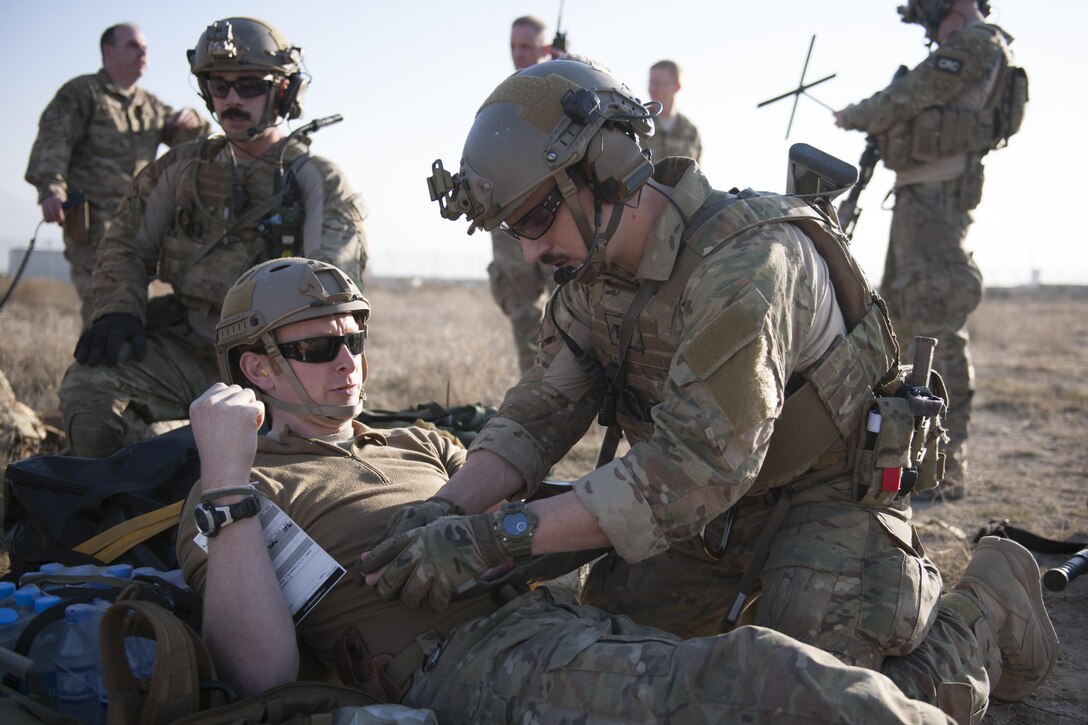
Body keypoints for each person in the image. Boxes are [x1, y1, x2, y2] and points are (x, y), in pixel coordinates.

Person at [379, 56, 1055, 718]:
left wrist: (499, 537)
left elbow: (696, 469)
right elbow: (539, 413)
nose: (530, 251)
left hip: (824, 494)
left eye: (533, 220)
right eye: (511, 228)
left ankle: (987, 607)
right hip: (713, 511)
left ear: (606, 170)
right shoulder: (593, 277)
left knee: (820, 699)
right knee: (633, 667)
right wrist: (446, 509)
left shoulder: (746, 264)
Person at [179, 256, 1032, 724]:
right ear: (257, 366)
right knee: (771, 682)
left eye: (356, 338)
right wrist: (223, 475)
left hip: (563, 621)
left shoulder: (419, 442)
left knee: (805, 681)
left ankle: (988, 607)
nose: (351, 361)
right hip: (470, 664)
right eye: (321, 348)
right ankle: (988, 611)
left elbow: (539, 510)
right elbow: (260, 671)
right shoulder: (250, 490)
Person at [57, 17, 369, 459]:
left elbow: (333, 294)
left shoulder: (317, 180)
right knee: (90, 397)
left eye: (249, 86)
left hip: (282, 362)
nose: (231, 100)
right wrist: (117, 312)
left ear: (283, 91)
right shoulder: (180, 170)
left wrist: (287, 367)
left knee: (290, 463)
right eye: (219, 87)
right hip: (188, 345)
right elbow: (125, 246)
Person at [834, 0, 1021, 500]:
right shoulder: (970, 46)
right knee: (904, 319)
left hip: (938, 202)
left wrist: (856, 115)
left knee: (935, 320)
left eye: (934, 23)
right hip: (921, 199)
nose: (934, 36)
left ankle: (948, 462)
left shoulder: (977, 45)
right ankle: (911, 455)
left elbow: (908, 97)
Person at [25, 23, 209, 328]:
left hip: (138, 226)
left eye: (145, 47)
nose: (143, 52)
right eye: (133, 45)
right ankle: (90, 374)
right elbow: (54, 141)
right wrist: (51, 189)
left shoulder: (149, 105)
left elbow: (191, 143)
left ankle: (122, 372)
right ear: (108, 52)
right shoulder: (82, 93)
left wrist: (195, 120)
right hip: (93, 224)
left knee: (135, 303)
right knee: (103, 305)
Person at [488, 16, 560, 374]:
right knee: (522, 313)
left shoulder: (562, 90)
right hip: (509, 219)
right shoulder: (501, 98)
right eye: (513, 46)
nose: (518, 54)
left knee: (570, 307)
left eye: (526, 47)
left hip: (556, 217)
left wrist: (566, 69)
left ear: (544, 49)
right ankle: (531, 395)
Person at [641, 60, 702, 163]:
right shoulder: (639, 123)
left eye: (659, 83)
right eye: (651, 82)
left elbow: (695, 173)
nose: (653, 88)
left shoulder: (690, 131)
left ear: (676, 87)